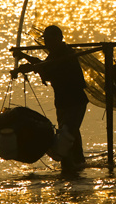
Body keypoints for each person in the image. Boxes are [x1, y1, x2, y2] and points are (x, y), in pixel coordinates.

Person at [11, 25, 89, 173]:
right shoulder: (54, 54)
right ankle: (78, 163)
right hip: (62, 101)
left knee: (67, 134)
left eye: (49, 39)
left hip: (75, 101)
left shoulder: (65, 54)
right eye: (45, 40)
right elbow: (45, 67)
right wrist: (24, 57)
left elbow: (48, 71)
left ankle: (71, 167)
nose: (47, 43)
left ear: (58, 39)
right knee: (71, 132)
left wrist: (29, 66)